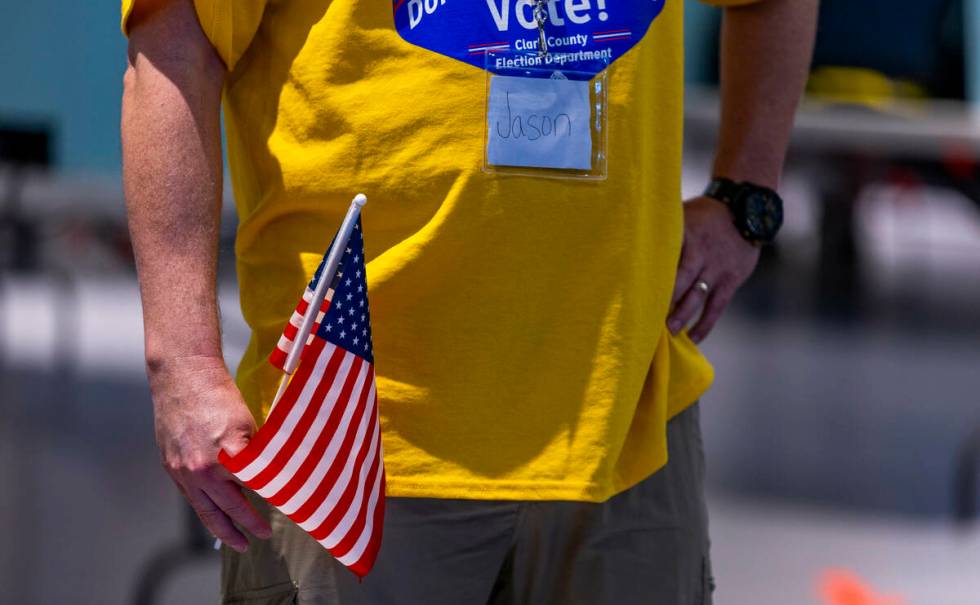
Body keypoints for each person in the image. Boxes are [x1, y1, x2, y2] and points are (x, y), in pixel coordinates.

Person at [120, 0, 816, 602]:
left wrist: (744, 195)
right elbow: (176, 45)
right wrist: (181, 363)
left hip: (623, 422)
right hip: (360, 432)